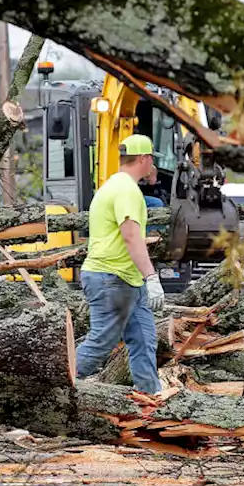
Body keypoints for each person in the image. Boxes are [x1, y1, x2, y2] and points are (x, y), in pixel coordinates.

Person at [74, 134, 164, 393]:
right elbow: (131, 235)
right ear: (145, 159)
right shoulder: (126, 190)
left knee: (145, 340)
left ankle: (151, 399)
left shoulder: (114, 185)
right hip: (111, 277)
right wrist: (152, 276)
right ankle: (56, 389)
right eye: (151, 160)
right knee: (102, 341)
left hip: (126, 279)